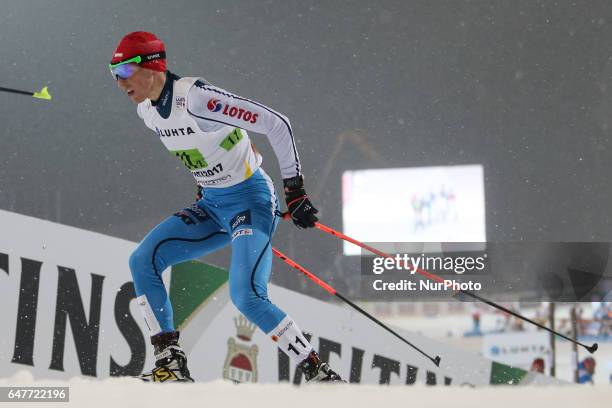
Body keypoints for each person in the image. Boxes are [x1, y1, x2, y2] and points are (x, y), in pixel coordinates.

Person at [109, 31, 342, 383]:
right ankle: (170, 361)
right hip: (214, 205)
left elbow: (276, 124)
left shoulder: (197, 99)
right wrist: (204, 184)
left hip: (252, 201)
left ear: (152, 67)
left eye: (124, 71)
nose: (119, 82)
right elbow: (201, 151)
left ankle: (318, 372)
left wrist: (295, 190)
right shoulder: (147, 111)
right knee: (142, 260)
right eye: (113, 73)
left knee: (246, 296)